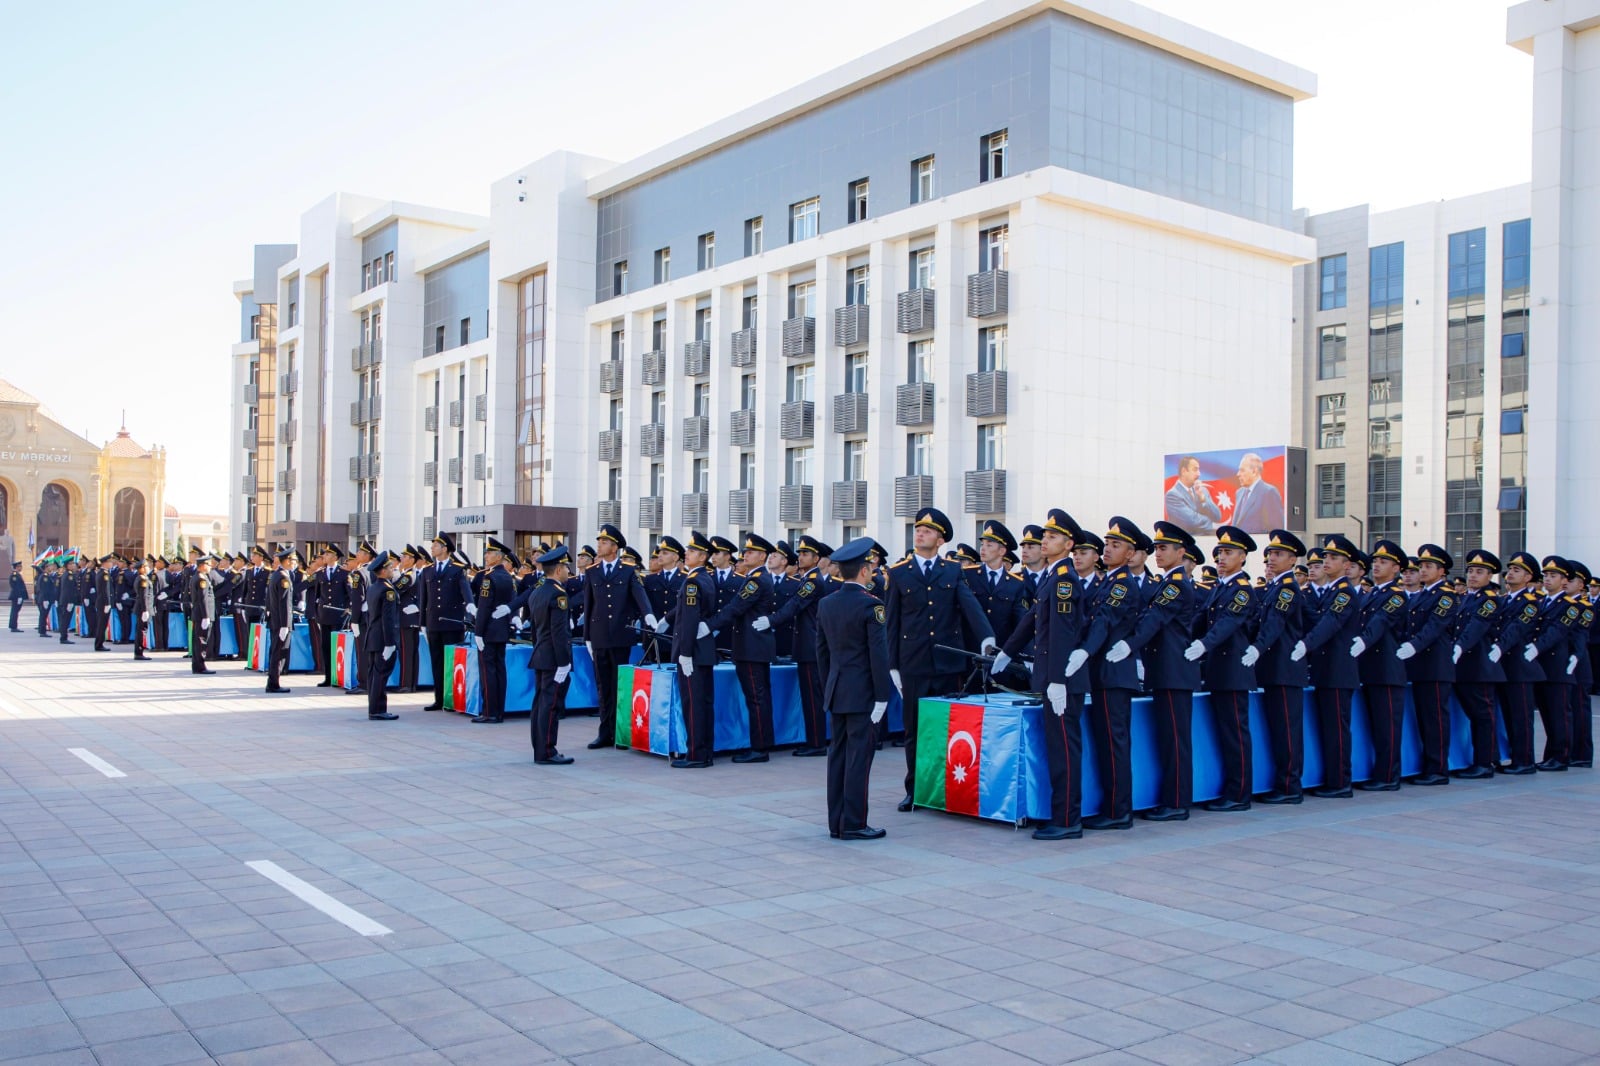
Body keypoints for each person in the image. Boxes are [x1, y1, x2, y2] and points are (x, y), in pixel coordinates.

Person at [886, 507, 996, 812]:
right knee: (915, 730)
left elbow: (969, 605)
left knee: (947, 728)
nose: (919, 533)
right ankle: (916, 790)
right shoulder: (898, 572)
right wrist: (892, 664)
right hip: (914, 663)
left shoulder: (951, 570)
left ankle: (946, 789)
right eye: (918, 529)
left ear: (940, 540)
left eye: (927, 531)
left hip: (947, 662)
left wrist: (987, 635)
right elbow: (891, 623)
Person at [994, 509, 1089, 839]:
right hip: (1052, 677)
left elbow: (1063, 633)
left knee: (1064, 748)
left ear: (1068, 544)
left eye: (1051, 537)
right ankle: (1062, 814)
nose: (1044, 540)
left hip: (1060, 680)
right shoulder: (1052, 576)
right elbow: (1034, 619)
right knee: (1056, 747)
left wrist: (1059, 680)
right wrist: (1007, 651)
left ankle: (1067, 820)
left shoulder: (1064, 580)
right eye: (1044, 536)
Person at [1122, 522, 1200, 821]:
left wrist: (1129, 646)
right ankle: (1173, 799)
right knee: (1168, 738)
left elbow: (1153, 619)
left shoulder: (1175, 584)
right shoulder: (1167, 582)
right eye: (1156, 548)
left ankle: (1177, 803)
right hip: (1166, 671)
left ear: (1182, 552)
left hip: (1174, 672)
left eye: (1164, 548)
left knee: (1175, 740)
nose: (1158, 553)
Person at [815, 538, 891, 841]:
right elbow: (878, 655)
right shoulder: (872, 605)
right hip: (863, 693)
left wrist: (828, 686)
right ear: (863, 571)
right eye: (870, 568)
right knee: (859, 758)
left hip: (837, 689)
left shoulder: (826, 603)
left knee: (838, 757)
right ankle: (855, 822)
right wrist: (882, 696)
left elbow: (821, 652)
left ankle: (837, 822)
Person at [1186, 526, 1257, 813]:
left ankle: (1239, 794)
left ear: (1242, 557)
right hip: (1218, 671)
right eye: (1219, 553)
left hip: (1233, 673)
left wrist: (1202, 645)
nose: (1221, 558)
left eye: (1228, 553)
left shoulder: (1241, 590)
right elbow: (1198, 620)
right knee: (1225, 734)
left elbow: (1228, 623)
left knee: (1235, 735)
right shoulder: (1221, 587)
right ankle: (1231, 788)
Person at [1247, 530, 1309, 804]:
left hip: (1284, 670)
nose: (1271, 559)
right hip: (1274, 670)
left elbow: (1275, 624)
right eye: (1270, 554)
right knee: (1278, 729)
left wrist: (1257, 647)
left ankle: (1290, 787)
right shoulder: (1275, 587)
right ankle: (1284, 783)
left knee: (1287, 730)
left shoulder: (1287, 589)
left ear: (1292, 559)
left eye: (1279, 554)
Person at [583, 525, 659, 747]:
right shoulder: (592, 571)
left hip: (619, 636)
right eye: (599, 541)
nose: (599, 545)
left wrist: (649, 616)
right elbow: (589, 605)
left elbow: (640, 596)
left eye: (604, 542)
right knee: (602, 685)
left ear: (614, 547)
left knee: (619, 686)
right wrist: (587, 636)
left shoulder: (627, 571)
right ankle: (604, 732)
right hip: (598, 636)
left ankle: (620, 733)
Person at [708, 533, 780, 763]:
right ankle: (763, 744)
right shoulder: (757, 577)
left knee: (756, 698)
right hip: (754, 646)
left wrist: (709, 626)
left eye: (750, 552)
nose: (745, 555)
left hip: (752, 647)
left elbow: (735, 607)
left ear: (761, 556)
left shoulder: (756, 580)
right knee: (759, 697)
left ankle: (759, 749)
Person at [1302, 535, 1364, 798]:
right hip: (1326, 670)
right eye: (1325, 557)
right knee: (1328, 727)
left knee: (1337, 729)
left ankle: (1340, 783)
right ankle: (1333, 778)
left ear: (1346, 564)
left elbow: (1330, 624)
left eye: (1333, 558)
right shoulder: (1330, 591)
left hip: (1338, 672)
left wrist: (1305, 645)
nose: (1327, 561)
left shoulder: (1344, 593)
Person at [769, 535, 835, 757]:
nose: (801, 556)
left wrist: (771, 620)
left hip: (811, 646)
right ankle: (813, 740)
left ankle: (816, 743)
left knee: (812, 697)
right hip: (808, 646)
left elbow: (794, 605)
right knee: (809, 696)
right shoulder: (809, 579)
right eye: (800, 553)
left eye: (806, 553)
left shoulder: (812, 581)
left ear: (816, 558)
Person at [1400, 545, 1459, 786]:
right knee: (1424, 718)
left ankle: (1438, 769)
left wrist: (1413, 646)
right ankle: (1429, 765)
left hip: (1435, 666)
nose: (1422, 570)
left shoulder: (1446, 595)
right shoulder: (1422, 595)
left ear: (1441, 570)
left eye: (1428, 567)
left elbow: (1434, 626)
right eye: (1421, 566)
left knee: (1435, 719)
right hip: (1420, 666)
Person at [1355, 540, 1412, 791]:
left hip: (1387, 670)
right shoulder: (1372, 594)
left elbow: (1381, 621)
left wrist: (1362, 641)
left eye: (1383, 562)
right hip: (1371, 669)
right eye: (1375, 561)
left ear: (1396, 568)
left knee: (1388, 726)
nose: (1376, 565)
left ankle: (1389, 776)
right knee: (1376, 726)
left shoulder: (1396, 596)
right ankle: (1380, 771)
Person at [1452, 549, 1508, 779]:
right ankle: (1485, 758)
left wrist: (1459, 646)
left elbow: (1477, 627)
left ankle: (1484, 763)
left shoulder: (1490, 600)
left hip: (1480, 667)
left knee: (1483, 716)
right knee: (1476, 716)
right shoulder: (1468, 597)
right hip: (1466, 667)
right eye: (1471, 571)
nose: (1473, 575)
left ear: (1490, 576)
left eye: (1480, 572)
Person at [671, 531, 720, 769]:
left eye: (691, 552)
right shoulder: (707, 578)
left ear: (702, 557)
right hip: (704, 650)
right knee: (703, 702)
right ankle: (704, 751)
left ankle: (696, 754)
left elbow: (690, 620)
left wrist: (685, 652)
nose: (686, 554)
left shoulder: (693, 582)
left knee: (693, 703)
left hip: (694, 651)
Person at [1498, 552, 1550, 774]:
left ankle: (1525, 760)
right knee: (1509, 714)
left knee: (1521, 716)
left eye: (1517, 570)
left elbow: (1516, 629)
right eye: (1510, 569)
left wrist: (1498, 646)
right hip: (1504, 667)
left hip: (1520, 668)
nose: (1510, 573)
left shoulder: (1530, 603)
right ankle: (1514, 756)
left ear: (1528, 577)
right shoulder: (1504, 600)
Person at [526, 545, 575, 763]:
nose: (567, 571)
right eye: (565, 567)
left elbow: (535, 630)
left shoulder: (538, 591)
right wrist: (564, 663)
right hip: (554, 658)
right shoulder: (558, 594)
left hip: (541, 655)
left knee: (540, 703)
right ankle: (547, 751)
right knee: (551, 705)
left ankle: (539, 747)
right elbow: (559, 633)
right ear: (557, 570)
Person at [418, 534, 473, 710]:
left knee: (451, 663)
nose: (432, 548)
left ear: (445, 549)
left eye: (436, 545)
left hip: (452, 622)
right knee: (436, 661)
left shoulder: (457, 570)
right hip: (433, 622)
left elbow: (466, 592)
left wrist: (471, 608)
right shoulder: (428, 571)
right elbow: (423, 599)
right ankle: (439, 699)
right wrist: (423, 623)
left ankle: (451, 699)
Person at [473, 537, 519, 724]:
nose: (486, 556)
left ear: (498, 557)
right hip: (501, 631)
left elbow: (484, 607)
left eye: (489, 553)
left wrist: (478, 632)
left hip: (489, 632)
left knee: (488, 672)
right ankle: (498, 711)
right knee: (500, 671)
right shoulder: (508, 577)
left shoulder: (489, 578)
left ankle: (489, 712)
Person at [965, 520, 1029, 654]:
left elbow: (1019, 622)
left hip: (1000, 652)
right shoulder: (968, 575)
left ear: (1001, 551)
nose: (983, 548)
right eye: (982, 544)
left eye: (989, 545)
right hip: (971, 651)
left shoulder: (1016, 583)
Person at [361, 552, 400, 720]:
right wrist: (390, 643)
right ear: (383, 571)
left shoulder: (373, 587)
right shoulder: (387, 590)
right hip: (383, 639)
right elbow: (388, 619)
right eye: (390, 567)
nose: (392, 569)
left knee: (374, 674)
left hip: (373, 637)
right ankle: (378, 710)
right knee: (380, 674)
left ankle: (375, 708)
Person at [1165, 456, 1222, 536]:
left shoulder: (1202, 491)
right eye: (1195, 469)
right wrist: (1211, 523)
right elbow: (1191, 521)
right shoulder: (1172, 495)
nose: (1199, 474)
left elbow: (1217, 516)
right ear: (1184, 471)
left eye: (1199, 470)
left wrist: (1203, 499)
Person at [265, 548, 295, 694]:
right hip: (281, 623)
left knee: (276, 651)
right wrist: (284, 625)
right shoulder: (283, 578)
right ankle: (273, 684)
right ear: (287, 561)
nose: (294, 563)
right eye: (293, 560)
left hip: (276, 621)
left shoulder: (276, 575)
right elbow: (284, 604)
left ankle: (273, 682)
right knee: (279, 652)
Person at [1230, 452, 1283, 534]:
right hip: (1239, 545)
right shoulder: (1239, 493)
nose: (1238, 474)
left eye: (1242, 470)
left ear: (1254, 472)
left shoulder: (1269, 492)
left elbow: (1276, 528)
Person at [188, 555, 217, 674]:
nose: (210, 567)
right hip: (202, 615)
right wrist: (206, 616)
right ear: (202, 566)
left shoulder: (198, 577)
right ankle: (200, 666)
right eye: (208, 564)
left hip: (198, 614)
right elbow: (203, 599)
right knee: (202, 640)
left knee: (198, 640)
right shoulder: (202, 579)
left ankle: (197, 665)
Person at [132, 558, 154, 661]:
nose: (148, 568)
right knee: (142, 631)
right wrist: (145, 610)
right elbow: (144, 596)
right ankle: (139, 652)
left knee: (141, 630)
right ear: (141, 568)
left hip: (143, 608)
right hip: (143, 609)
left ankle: (139, 651)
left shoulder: (142, 578)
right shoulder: (142, 579)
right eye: (146, 566)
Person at [8, 561, 25, 632]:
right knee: (14, 611)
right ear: (17, 567)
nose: (21, 567)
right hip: (16, 596)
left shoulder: (17, 574)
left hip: (17, 596)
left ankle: (13, 626)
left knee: (15, 611)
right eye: (20, 566)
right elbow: (16, 587)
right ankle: (13, 627)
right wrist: (19, 596)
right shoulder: (14, 575)